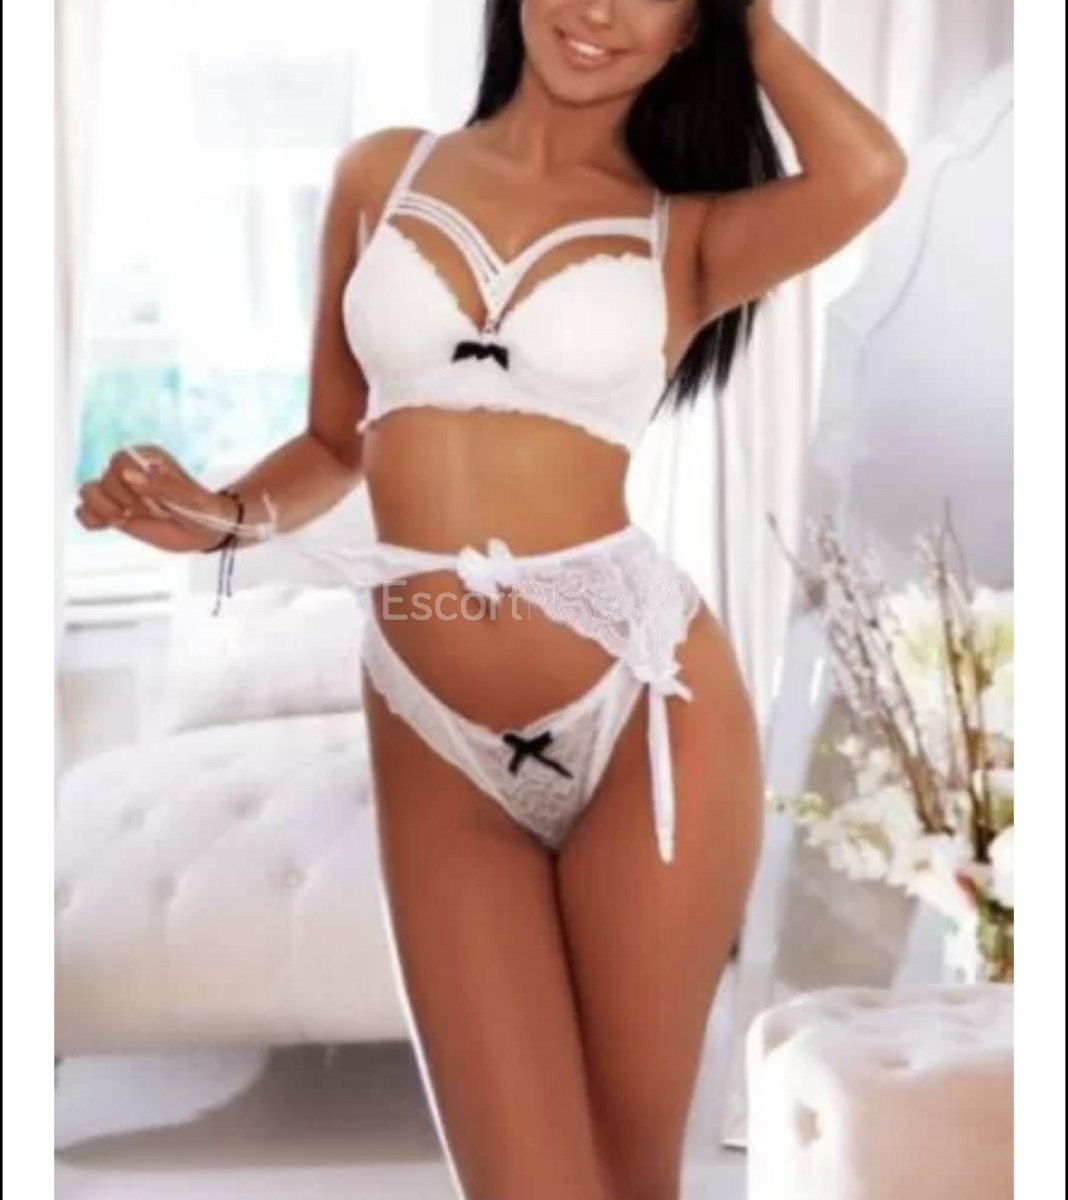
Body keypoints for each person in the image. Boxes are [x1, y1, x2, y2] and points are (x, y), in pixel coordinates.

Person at [75, 2, 905, 1197]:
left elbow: (867, 172)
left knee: (630, 1176)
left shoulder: (688, 235)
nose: (601, 10)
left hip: (647, 713)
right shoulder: (384, 176)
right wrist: (221, 518)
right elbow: (335, 441)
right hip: (431, 730)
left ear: (692, 28)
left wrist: (749, 18)